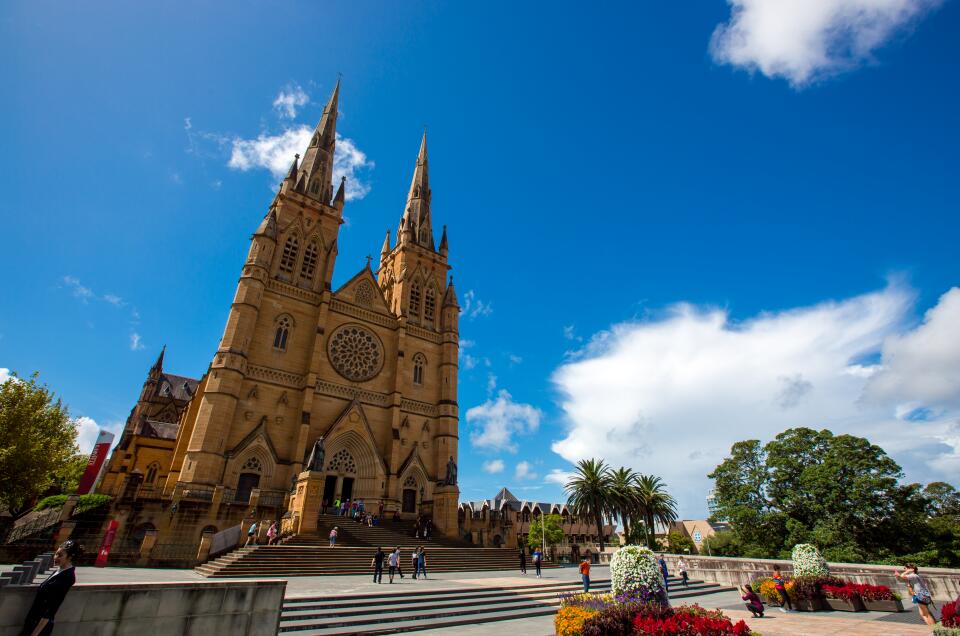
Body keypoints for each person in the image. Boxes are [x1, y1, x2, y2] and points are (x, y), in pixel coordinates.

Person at [20, 540, 81, 636]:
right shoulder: (59, 571)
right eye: (56, 554)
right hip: (32, 621)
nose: (56, 557)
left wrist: (35, 634)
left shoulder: (67, 576)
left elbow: (52, 608)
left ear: (70, 557)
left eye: (60, 555)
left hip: (39, 627)